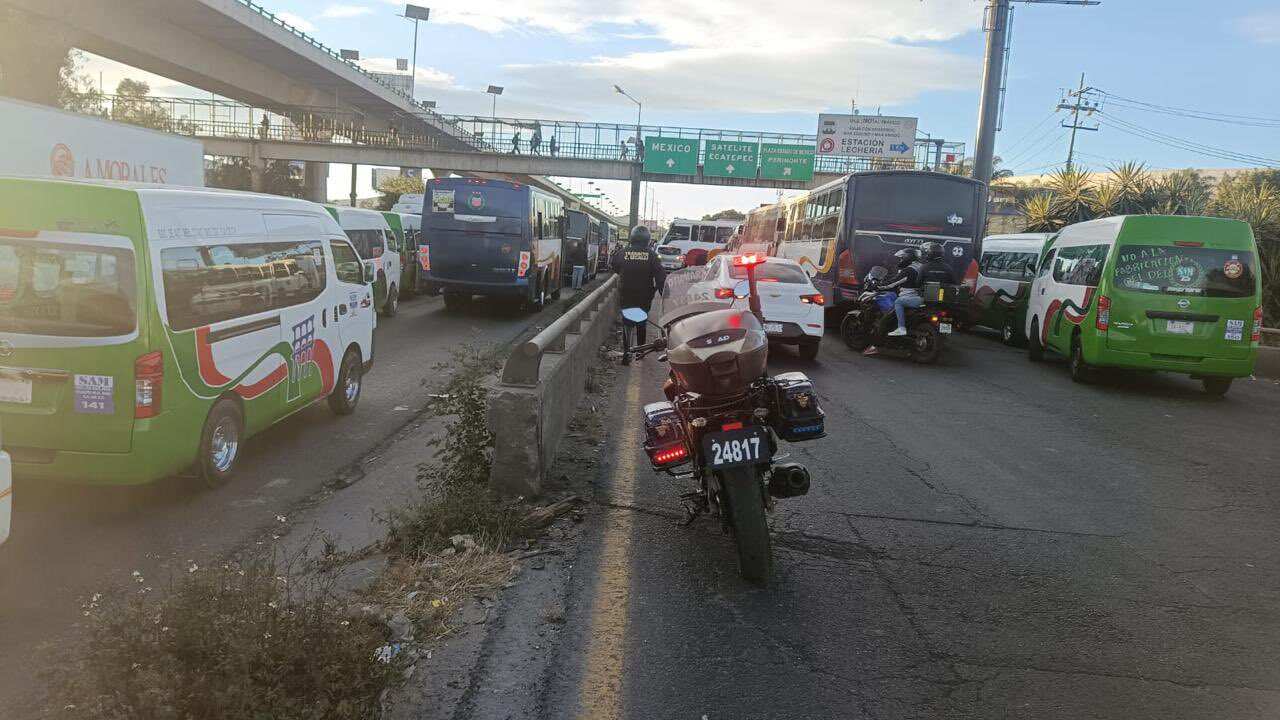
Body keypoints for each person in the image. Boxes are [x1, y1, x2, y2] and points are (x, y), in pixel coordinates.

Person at [612, 225, 666, 360]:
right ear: (648, 239)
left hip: (626, 294)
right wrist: (665, 294)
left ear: (632, 237)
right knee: (641, 322)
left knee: (627, 322)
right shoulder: (653, 256)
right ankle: (640, 352)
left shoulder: (622, 253)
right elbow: (661, 278)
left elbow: (615, 268)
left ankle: (626, 352)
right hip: (644, 296)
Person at [882, 247, 923, 337]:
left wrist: (879, 286)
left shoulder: (909, 270)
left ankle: (901, 328)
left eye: (901, 258)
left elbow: (893, 283)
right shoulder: (920, 266)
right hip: (922, 296)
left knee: (898, 302)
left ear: (907, 258)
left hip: (912, 297)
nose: (900, 260)